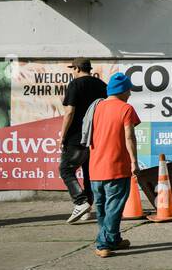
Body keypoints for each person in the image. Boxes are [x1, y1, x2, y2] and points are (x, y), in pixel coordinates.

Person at [88, 72, 141, 258]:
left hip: (95, 167)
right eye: (129, 90)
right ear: (123, 90)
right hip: (116, 167)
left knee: (103, 208)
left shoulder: (96, 107)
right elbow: (129, 136)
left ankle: (114, 239)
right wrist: (134, 161)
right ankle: (103, 244)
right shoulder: (126, 108)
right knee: (114, 208)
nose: (130, 94)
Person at [58, 58, 108, 224]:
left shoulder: (75, 85)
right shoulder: (101, 85)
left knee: (65, 169)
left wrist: (63, 135)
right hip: (96, 135)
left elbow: (70, 112)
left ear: (78, 69)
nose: (73, 71)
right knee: (89, 173)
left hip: (76, 136)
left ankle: (80, 202)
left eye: (73, 69)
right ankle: (87, 209)